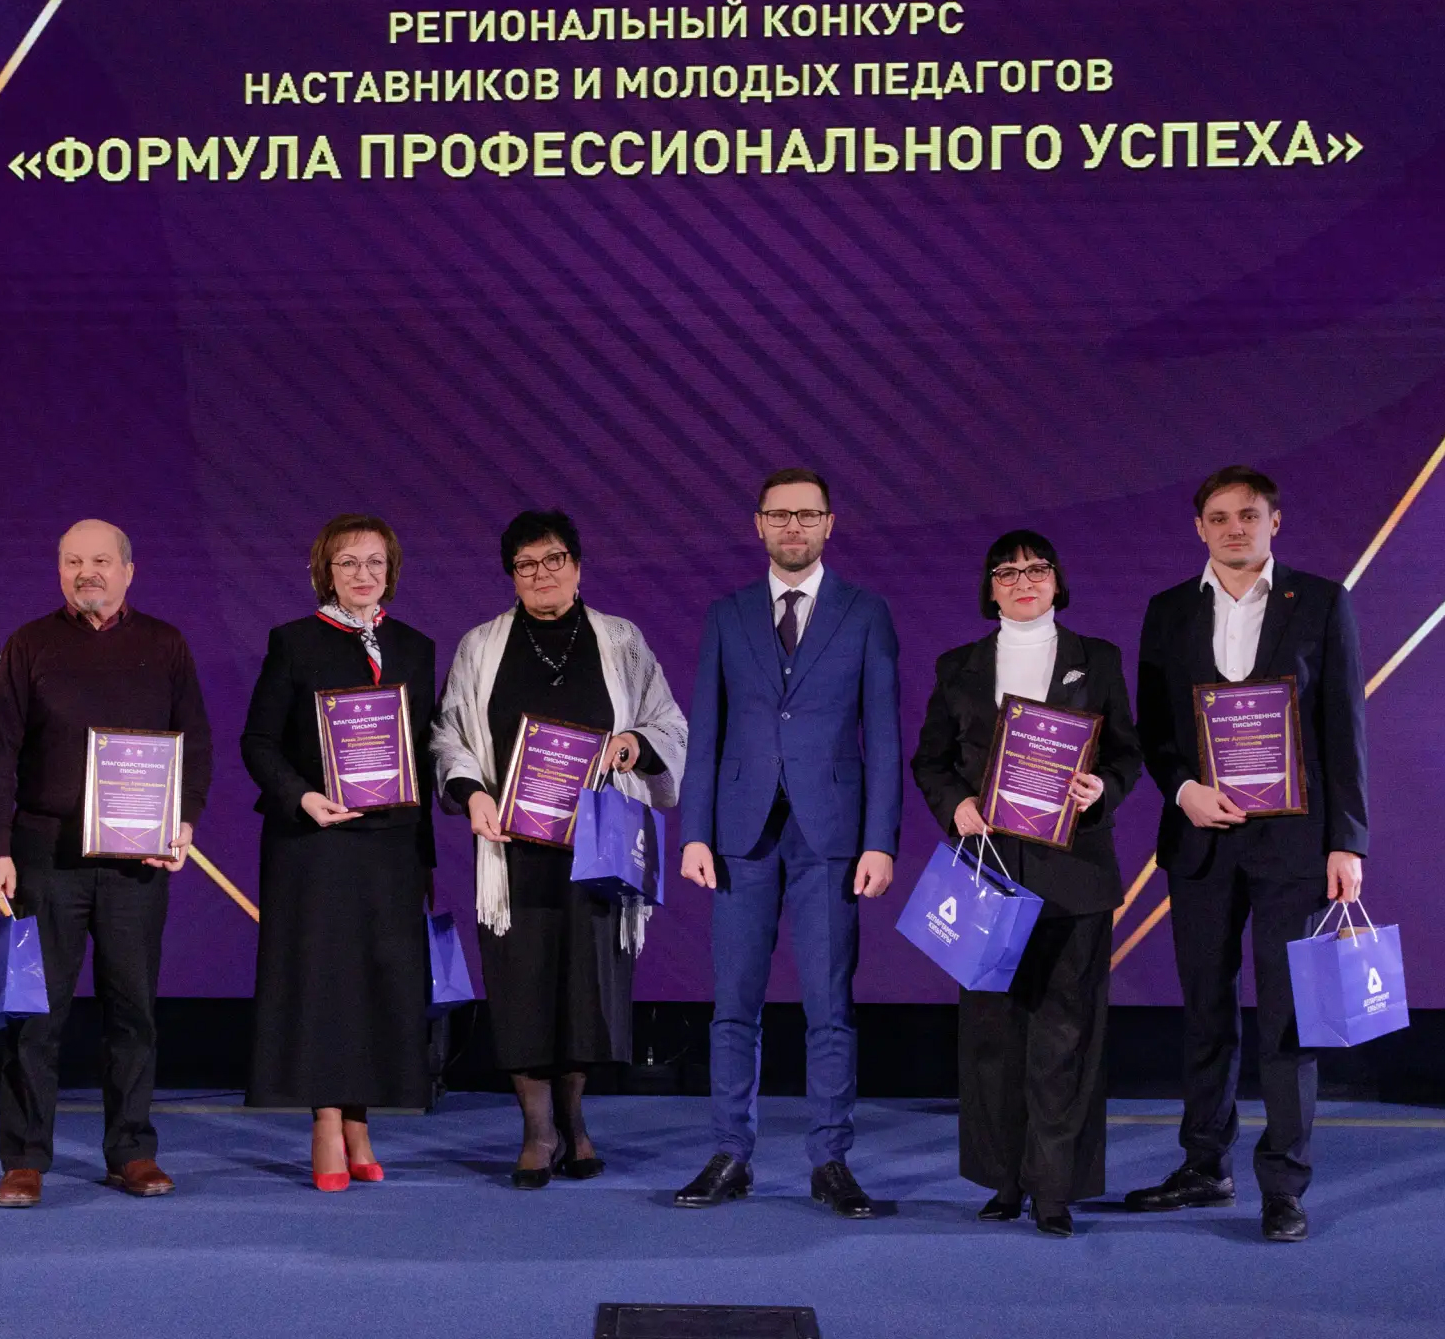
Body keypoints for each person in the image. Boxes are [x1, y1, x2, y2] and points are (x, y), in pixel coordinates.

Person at [1123, 466, 1369, 1243]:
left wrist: (1348, 841)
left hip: (1296, 846)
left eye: (1249, 515)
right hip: (1201, 841)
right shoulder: (1168, 610)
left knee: (1289, 1022)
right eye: (1221, 517)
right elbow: (1154, 730)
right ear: (1200, 527)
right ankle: (1205, 1166)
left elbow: (1344, 729)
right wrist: (1183, 790)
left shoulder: (1321, 602)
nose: (1235, 528)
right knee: (1206, 1011)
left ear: (1274, 522)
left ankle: (1284, 1186)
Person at [433, 509, 687, 1189]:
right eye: (526, 564)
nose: (541, 574)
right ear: (510, 575)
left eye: (553, 560)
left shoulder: (621, 640)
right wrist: (472, 793)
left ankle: (574, 1124)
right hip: (513, 850)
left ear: (577, 565)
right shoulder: (480, 646)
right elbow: (449, 734)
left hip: (597, 848)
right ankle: (536, 1132)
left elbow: (666, 720)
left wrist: (632, 744)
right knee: (522, 987)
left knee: (584, 989)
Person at [674, 468, 902, 1219]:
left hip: (831, 836)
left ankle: (830, 1160)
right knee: (732, 1006)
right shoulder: (727, 614)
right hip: (739, 836)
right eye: (780, 515)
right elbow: (705, 731)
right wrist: (695, 832)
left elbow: (884, 737)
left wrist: (880, 841)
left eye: (807, 515)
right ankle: (730, 1154)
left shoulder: (865, 613)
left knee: (829, 1007)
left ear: (830, 523)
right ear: (759, 524)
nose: (793, 527)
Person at [909, 530, 1144, 1237]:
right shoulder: (957, 665)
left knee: (1065, 1033)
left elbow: (1126, 755)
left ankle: (1054, 1188)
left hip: (1075, 875)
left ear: (1057, 580)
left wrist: (1100, 788)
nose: (1023, 581)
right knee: (993, 1035)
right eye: (1007, 573)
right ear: (990, 589)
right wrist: (957, 804)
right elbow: (930, 761)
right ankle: (1004, 1181)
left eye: (1036, 569)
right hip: (989, 873)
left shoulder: (1097, 659)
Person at [0, 519, 213, 1207]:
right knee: (36, 1016)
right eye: (74, 561)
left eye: (102, 561)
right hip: (43, 856)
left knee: (133, 1012)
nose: (89, 573)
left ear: (128, 571)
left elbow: (195, 743)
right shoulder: (29, 644)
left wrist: (183, 820)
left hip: (136, 858)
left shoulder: (165, 644)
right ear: (60, 572)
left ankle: (132, 1151)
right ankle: (24, 1159)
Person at [240, 515, 437, 1191]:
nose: (362, 574)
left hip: (390, 847)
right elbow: (259, 742)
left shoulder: (416, 647)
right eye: (348, 562)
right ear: (326, 571)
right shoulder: (293, 641)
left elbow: (422, 752)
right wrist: (303, 797)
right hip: (314, 844)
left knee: (377, 985)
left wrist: (426, 854)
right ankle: (326, 1120)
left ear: (392, 571)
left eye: (375, 562)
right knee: (323, 983)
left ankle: (359, 1119)